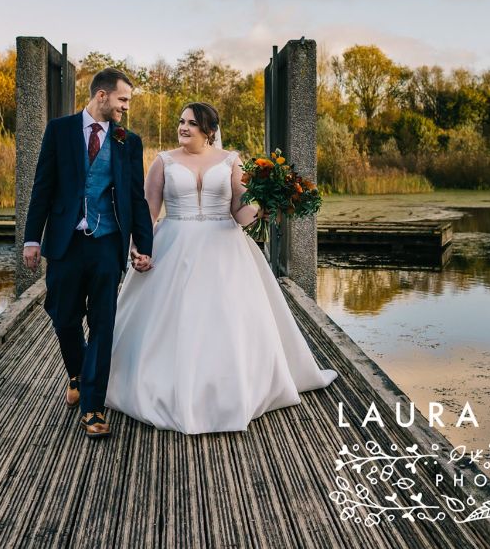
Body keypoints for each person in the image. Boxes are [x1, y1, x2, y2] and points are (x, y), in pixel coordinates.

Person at [105, 102, 337, 434]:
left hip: (224, 246)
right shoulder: (163, 161)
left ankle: (230, 390)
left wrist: (265, 211)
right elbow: (147, 212)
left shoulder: (230, 161)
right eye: (181, 121)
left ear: (209, 130)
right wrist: (138, 249)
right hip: (174, 244)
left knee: (227, 318)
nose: (183, 127)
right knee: (176, 318)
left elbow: (240, 211)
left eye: (192, 123)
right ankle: (166, 387)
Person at [22, 68, 155, 439]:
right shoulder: (59, 130)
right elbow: (42, 187)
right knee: (63, 316)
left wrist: (143, 246)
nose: (126, 107)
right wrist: (32, 238)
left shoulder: (129, 141)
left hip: (107, 244)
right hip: (66, 242)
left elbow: (135, 197)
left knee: (103, 323)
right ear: (101, 96)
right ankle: (78, 374)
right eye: (122, 100)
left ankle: (93, 406)